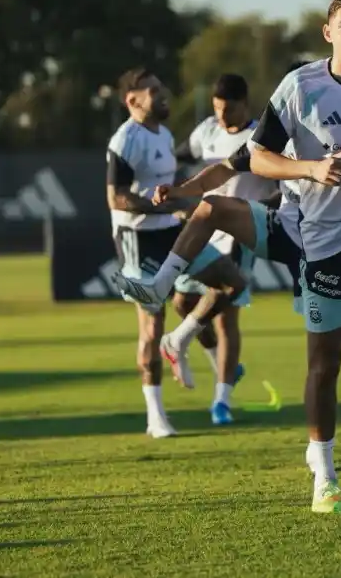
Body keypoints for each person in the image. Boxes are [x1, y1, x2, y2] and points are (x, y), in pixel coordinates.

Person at [115, 0, 341, 513]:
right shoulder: (298, 90)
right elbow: (249, 160)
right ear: (327, 31)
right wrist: (304, 170)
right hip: (314, 235)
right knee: (325, 363)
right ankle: (324, 473)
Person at [106, 68, 247, 438]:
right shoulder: (125, 140)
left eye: (161, 86)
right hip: (138, 240)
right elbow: (116, 197)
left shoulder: (165, 134)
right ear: (132, 101)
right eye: (153, 90)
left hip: (170, 231)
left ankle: (180, 339)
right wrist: (166, 210)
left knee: (232, 282)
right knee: (151, 326)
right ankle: (156, 416)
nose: (163, 93)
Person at [166, 74, 274, 424]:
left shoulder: (261, 137)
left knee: (227, 314)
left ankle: (222, 400)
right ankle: (225, 366)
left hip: (242, 232)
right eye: (216, 109)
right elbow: (179, 156)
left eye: (228, 109)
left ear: (245, 105)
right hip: (205, 230)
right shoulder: (207, 131)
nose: (222, 116)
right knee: (183, 302)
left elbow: (284, 186)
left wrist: (262, 210)